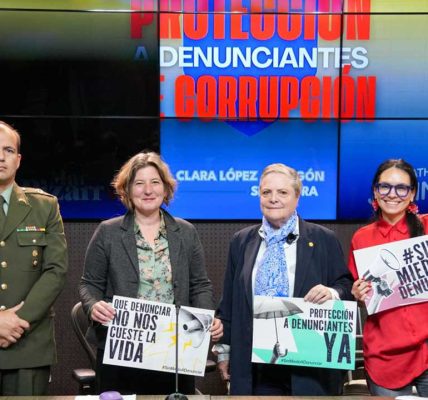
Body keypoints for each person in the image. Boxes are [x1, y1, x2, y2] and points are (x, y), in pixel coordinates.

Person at [79, 151, 223, 395]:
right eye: (139, 183)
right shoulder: (107, 232)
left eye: (155, 182)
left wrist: (206, 318)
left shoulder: (186, 232)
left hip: (175, 349)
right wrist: (93, 306)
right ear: (127, 190)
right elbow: (89, 284)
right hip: (122, 350)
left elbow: (200, 285)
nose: (148, 190)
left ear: (165, 189)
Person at [216, 163, 353, 395]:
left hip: (308, 366)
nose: (273, 199)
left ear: (297, 197)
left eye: (282, 192)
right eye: (266, 192)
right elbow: (229, 303)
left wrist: (331, 292)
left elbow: (346, 286)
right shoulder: (241, 241)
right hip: (255, 366)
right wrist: (224, 351)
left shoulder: (323, 239)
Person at [348, 158, 428, 397]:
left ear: (412, 194)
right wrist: (358, 295)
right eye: (385, 187)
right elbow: (363, 297)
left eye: (402, 188)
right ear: (375, 191)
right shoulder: (361, 238)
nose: (393, 194)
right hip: (385, 358)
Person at [0, 121, 68, 395]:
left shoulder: (44, 206)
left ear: (18, 159)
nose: (1, 157)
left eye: (8, 150)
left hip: (27, 344)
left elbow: (56, 270)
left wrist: (17, 321)